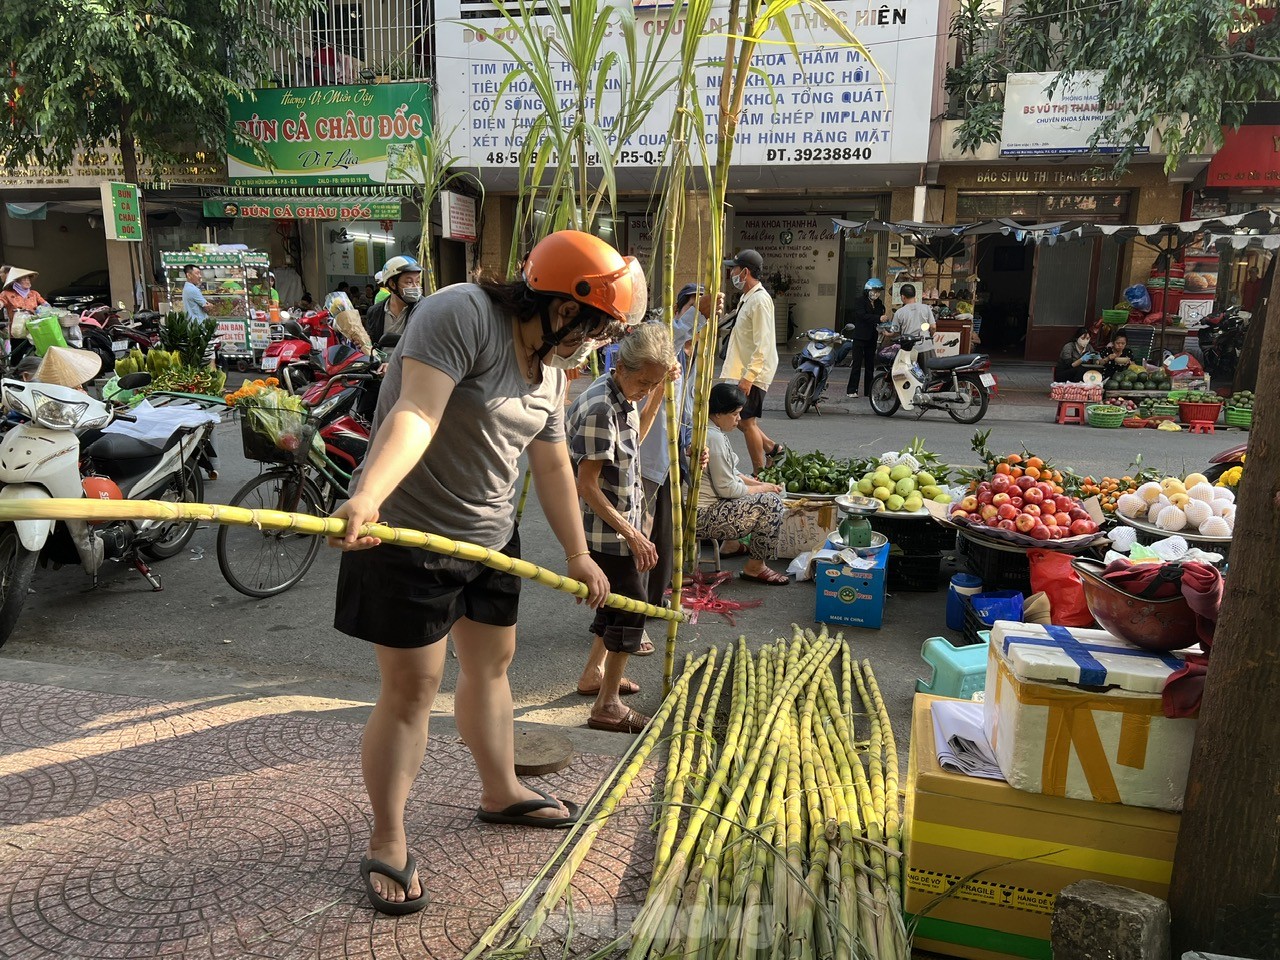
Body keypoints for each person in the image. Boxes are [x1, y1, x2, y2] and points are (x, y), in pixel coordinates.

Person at [327, 229, 642, 916]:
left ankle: (500, 791)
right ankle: (387, 837)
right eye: (596, 327)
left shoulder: (552, 366)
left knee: (494, 665)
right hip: (405, 532)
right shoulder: (461, 314)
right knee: (413, 689)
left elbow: (552, 462)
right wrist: (370, 495)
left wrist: (579, 554)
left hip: (488, 540)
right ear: (563, 309)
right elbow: (414, 410)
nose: (597, 344)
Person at [569, 323, 676, 732]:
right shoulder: (600, 406)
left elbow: (638, 436)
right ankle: (606, 706)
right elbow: (586, 486)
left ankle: (593, 675)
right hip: (605, 534)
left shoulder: (624, 397)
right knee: (631, 612)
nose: (646, 390)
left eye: (654, 382)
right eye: (644, 381)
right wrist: (632, 535)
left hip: (622, 525)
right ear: (622, 367)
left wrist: (660, 390)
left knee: (615, 607)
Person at [696, 383, 790, 584]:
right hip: (701, 516)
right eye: (735, 414)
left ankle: (731, 545)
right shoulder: (713, 437)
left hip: (704, 508)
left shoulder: (708, 429)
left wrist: (757, 483)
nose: (739, 420)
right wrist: (763, 488)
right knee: (771, 503)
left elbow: (732, 473)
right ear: (719, 413)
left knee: (758, 488)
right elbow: (728, 488)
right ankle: (755, 567)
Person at [720, 249, 782, 473]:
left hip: (753, 372)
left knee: (747, 423)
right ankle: (773, 449)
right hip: (744, 369)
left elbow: (763, 343)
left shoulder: (760, 301)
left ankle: (759, 472)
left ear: (745, 272)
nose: (732, 273)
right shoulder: (748, 298)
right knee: (741, 420)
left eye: (734, 269)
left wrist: (749, 377)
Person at [365, 256, 423, 344]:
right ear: (392, 284)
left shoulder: (425, 309)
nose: (415, 287)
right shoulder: (374, 312)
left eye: (418, 282)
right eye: (409, 282)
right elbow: (372, 342)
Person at [844, 277, 886, 401]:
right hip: (860, 336)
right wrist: (878, 318)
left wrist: (882, 321)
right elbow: (862, 315)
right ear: (868, 290)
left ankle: (869, 390)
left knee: (870, 365)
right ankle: (852, 390)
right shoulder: (860, 301)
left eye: (878, 291)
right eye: (874, 290)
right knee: (856, 364)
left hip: (872, 336)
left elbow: (879, 314)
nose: (876, 293)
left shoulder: (879, 303)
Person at [889, 283, 934, 354]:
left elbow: (895, 332)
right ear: (915, 295)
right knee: (928, 365)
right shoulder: (926, 308)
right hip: (926, 346)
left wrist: (887, 334)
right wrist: (929, 336)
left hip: (909, 348)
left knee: (909, 365)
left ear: (903, 297)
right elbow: (933, 327)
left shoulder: (899, 312)